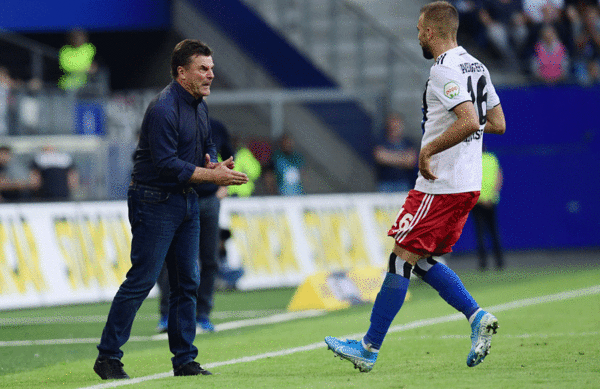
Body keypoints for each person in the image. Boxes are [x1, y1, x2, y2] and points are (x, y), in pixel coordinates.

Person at [325, 1, 506, 373]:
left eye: (420, 29)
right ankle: (475, 316)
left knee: (399, 258)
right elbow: (497, 122)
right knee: (421, 261)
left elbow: (470, 120)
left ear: (433, 32)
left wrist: (430, 148)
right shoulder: (477, 65)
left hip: (441, 184)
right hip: (466, 183)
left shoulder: (443, 70)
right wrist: (462, 134)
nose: (418, 35)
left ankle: (368, 347)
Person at [93, 39, 248, 380]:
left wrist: (212, 160)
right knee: (142, 279)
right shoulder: (164, 108)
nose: (211, 75)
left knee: (187, 281)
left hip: (186, 200)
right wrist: (212, 174)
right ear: (182, 73)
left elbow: (205, 141)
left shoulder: (198, 105)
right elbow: (165, 164)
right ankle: (108, 357)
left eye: (211, 68)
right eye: (203, 69)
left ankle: (184, 360)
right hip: (155, 200)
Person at [155, 117, 236, 334]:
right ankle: (167, 314)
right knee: (172, 259)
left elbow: (229, 155)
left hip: (209, 201)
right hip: (179, 199)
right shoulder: (171, 124)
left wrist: (224, 184)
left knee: (209, 259)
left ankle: (203, 314)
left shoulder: (217, 127)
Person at [472, 148, 504, 270]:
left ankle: (483, 264)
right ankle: (499, 262)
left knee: (481, 233)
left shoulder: (471, 160)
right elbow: (498, 177)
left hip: (478, 202)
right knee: (493, 232)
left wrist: (482, 199)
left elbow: (470, 180)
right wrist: (492, 195)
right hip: (491, 201)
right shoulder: (492, 158)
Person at [373, 112, 418, 193]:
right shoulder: (381, 142)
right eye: (392, 126)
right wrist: (402, 158)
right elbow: (380, 157)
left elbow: (411, 161)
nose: (394, 128)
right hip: (385, 184)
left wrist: (390, 156)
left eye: (397, 126)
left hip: (403, 183)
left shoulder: (408, 143)